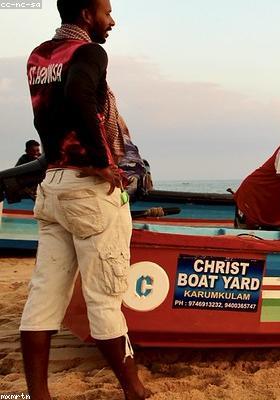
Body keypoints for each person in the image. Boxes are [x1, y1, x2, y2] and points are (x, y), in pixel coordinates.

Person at [20, 0, 149, 399]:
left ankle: (37, 394)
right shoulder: (90, 51)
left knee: (43, 295)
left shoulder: (39, 56)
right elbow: (80, 98)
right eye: (107, 12)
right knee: (105, 297)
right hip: (89, 191)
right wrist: (101, 161)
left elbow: (46, 117)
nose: (112, 21)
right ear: (86, 15)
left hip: (54, 183)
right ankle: (134, 391)